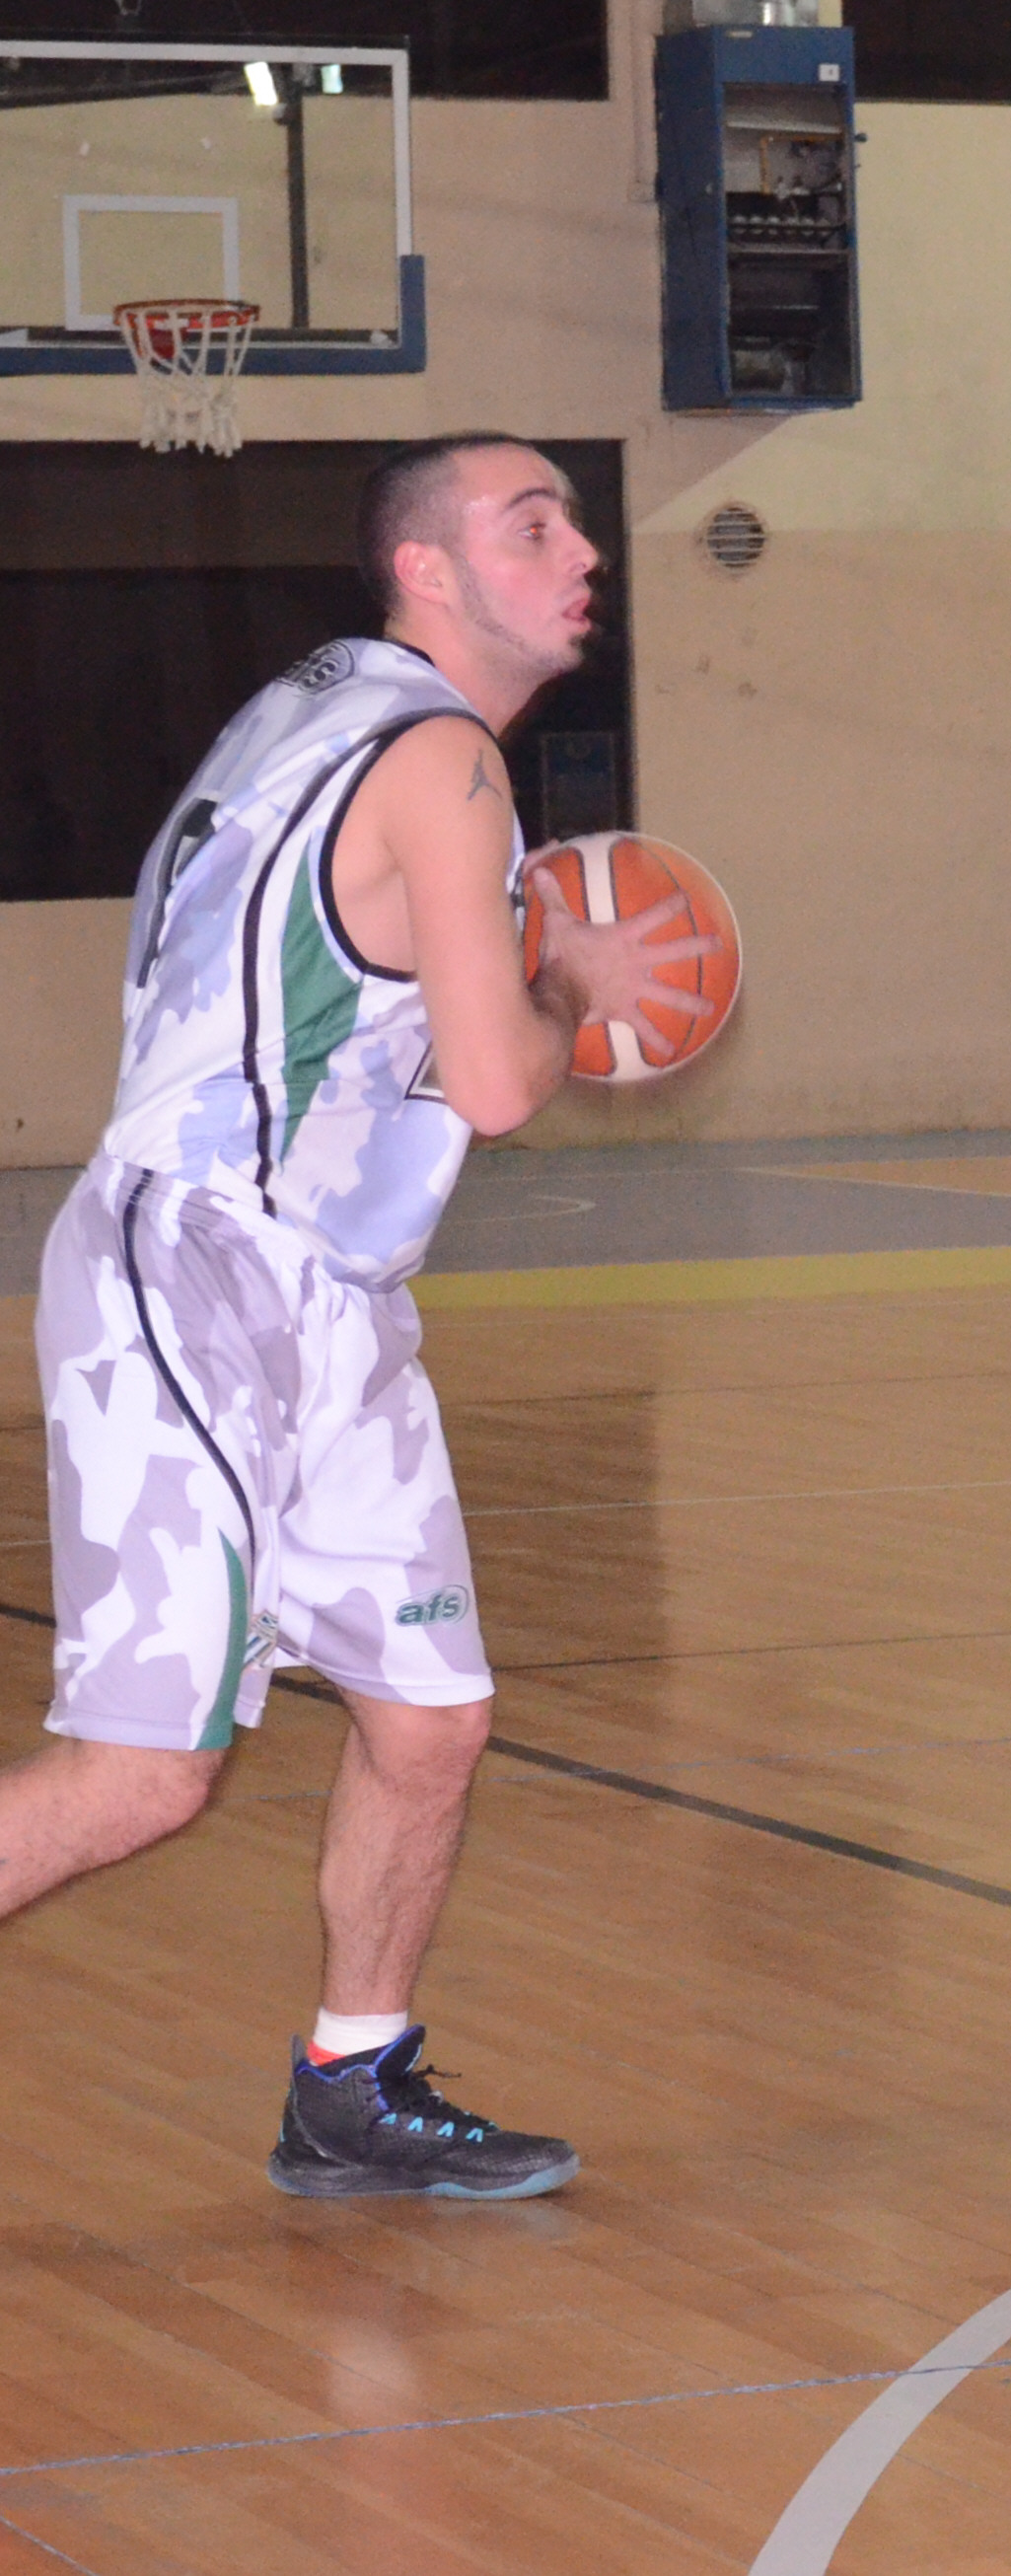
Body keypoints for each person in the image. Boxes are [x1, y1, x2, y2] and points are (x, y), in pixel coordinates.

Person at [5, 434, 710, 2198]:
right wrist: (572, 978)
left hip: (326, 1289)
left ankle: (352, 2082)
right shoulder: (441, 754)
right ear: (427, 572)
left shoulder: (314, 705)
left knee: (429, 1715)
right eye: (530, 527)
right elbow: (501, 1080)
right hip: (197, 1270)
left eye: (577, 523)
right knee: (141, 1776)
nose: (580, 553)